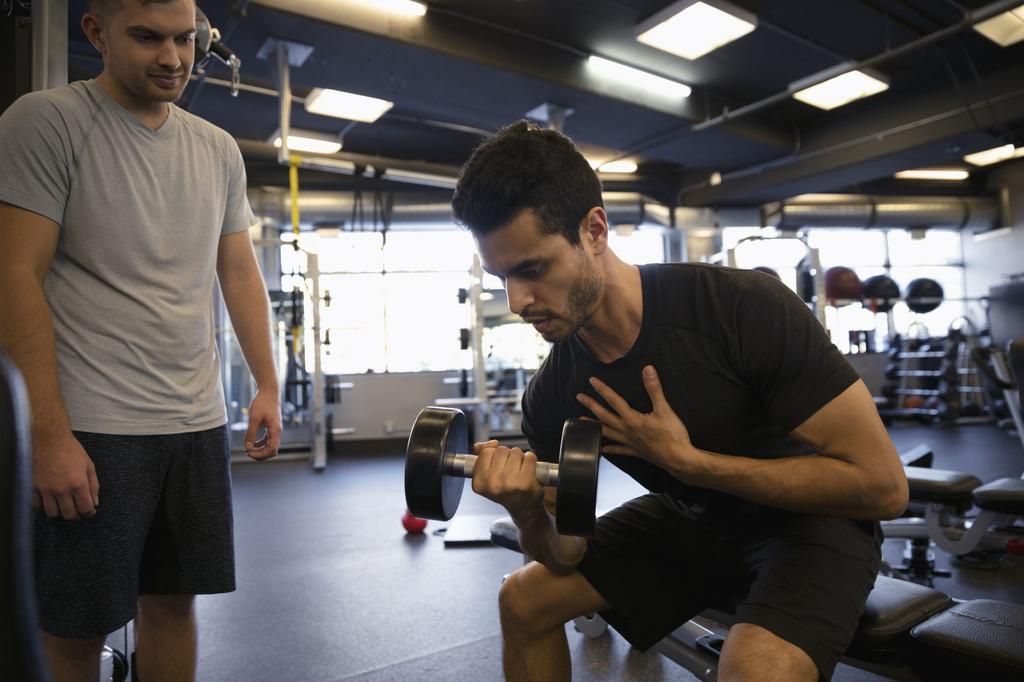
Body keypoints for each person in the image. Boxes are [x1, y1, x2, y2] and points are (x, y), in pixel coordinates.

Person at [451, 122, 909, 682]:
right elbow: (565, 552)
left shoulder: (740, 308)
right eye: (501, 277)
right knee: (523, 598)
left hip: (814, 524)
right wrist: (525, 510)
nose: (517, 300)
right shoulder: (552, 394)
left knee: (754, 670)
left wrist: (694, 465)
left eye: (532, 269)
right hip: (695, 522)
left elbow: (883, 487)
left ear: (594, 230)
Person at [0, 1, 282, 680]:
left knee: (174, 606)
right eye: (148, 38)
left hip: (195, 423)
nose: (173, 58)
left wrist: (268, 383)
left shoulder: (216, 149)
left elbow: (239, 273)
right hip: (94, 426)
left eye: (185, 39)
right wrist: (48, 435)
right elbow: (13, 276)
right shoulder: (46, 122)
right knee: (76, 630)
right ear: (96, 33)